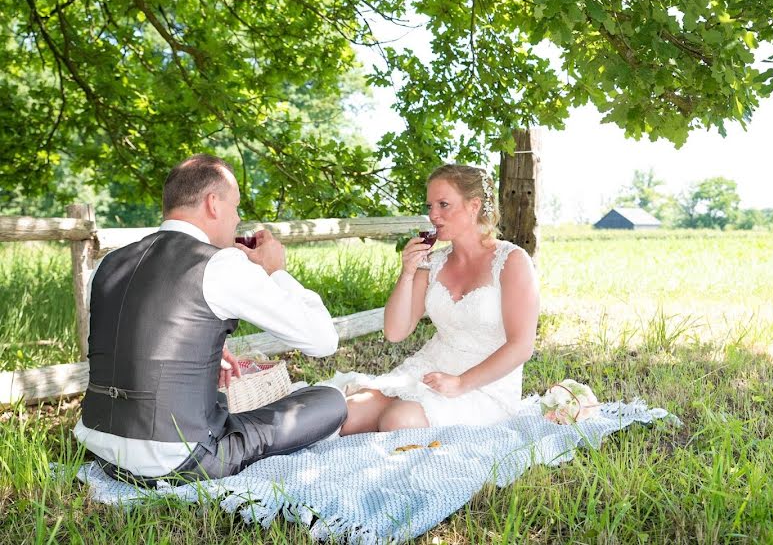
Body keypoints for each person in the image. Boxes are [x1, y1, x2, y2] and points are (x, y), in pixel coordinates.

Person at [74, 154, 347, 486]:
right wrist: (277, 271)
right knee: (330, 400)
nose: (237, 219)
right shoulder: (220, 264)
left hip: (99, 446)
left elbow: (129, 336)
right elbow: (323, 341)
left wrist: (206, 350)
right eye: (236, 207)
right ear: (213, 204)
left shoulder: (109, 263)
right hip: (178, 457)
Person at [334, 164, 539, 434]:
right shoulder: (433, 263)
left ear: (474, 205)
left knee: (399, 421)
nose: (433, 215)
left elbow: (522, 346)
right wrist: (407, 273)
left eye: (443, 205)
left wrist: (460, 383)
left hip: (485, 385)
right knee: (346, 416)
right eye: (430, 205)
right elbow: (396, 332)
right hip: (431, 367)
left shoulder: (511, 261)